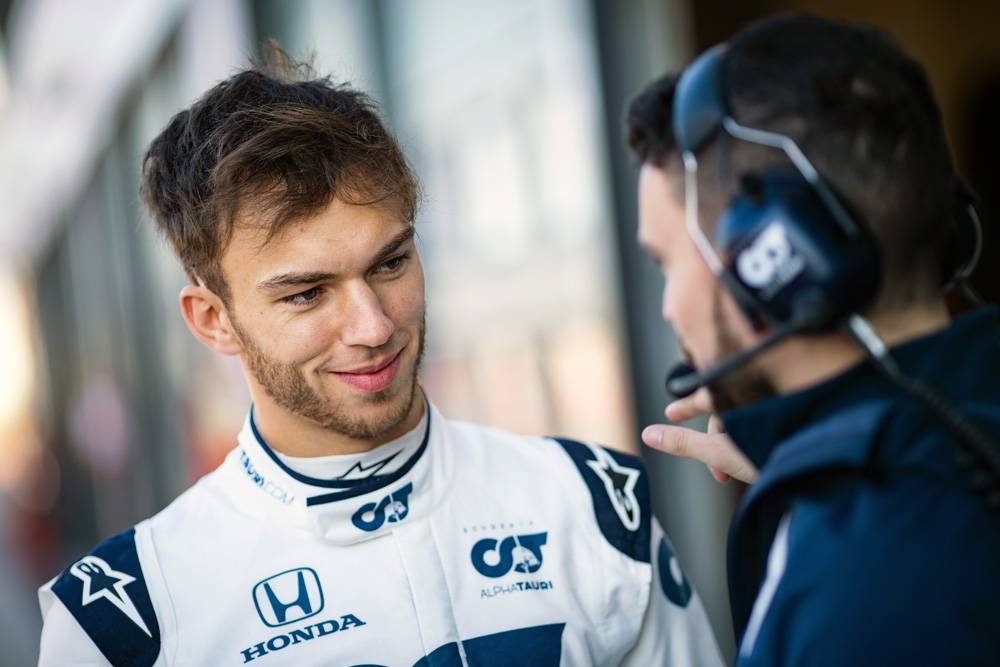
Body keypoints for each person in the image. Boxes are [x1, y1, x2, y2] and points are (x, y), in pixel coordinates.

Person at [35, 47, 722, 667]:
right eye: (307, 294)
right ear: (214, 320)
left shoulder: (591, 506)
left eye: (390, 262)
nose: (372, 325)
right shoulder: (128, 620)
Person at [627, 12, 1000, 666]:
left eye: (666, 261)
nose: (666, 307)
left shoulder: (862, 588)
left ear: (774, 254)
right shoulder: (943, 460)